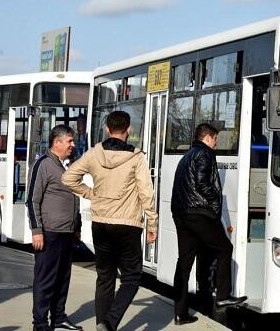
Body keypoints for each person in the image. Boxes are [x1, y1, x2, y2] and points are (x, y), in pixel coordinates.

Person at [62, 111, 157, 331]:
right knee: (131, 278)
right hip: (128, 224)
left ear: (107, 129)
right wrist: (152, 224)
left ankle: (101, 324)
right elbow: (146, 193)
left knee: (104, 278)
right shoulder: (136, 157)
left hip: (101, 223)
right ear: (129, 129)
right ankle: (110, 322)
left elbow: (68, 177)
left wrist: (90, 193)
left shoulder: (94, 153)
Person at [171, 123, 247, 325]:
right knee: (224, 248)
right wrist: (215, 200)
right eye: (215, 139)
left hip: (181, 214)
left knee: (184, 263)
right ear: (207, 138)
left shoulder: (187, 156)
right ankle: (222, 296)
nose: (216, 143)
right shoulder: (204, 154)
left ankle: (180, 313)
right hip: (199, 213)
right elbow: (202, 181)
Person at [26, 124, 83, 331]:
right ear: (57, 142)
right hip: (49, 233)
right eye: (69, 141)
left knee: (62, 279)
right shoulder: (43, 164)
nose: (72, 145)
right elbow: (32, 200)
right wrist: (37, 231)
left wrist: (77, 228)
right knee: (45, 280)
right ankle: (40, 324)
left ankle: (59, 318)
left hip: (67, 233)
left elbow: (74, 199)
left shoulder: (67, 164)